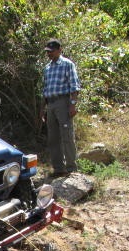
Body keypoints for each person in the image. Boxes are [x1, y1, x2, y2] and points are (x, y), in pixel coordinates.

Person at [41, 38, 81, 178]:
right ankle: (59, 169)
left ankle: (71, 169)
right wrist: (43, 110)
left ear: (59, 50)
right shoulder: (47, 68)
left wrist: (73, 105)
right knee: (53, 138)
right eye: (48, 51)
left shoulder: (67, 64)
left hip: (63, 103)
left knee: (67, 136)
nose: (49, 54)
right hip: (50, 104)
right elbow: (45, 90)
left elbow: (74, 86)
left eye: (51, 51)